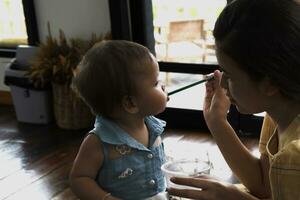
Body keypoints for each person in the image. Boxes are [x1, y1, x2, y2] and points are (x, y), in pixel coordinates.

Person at [168, 0, 300, 199]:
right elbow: (265, 184)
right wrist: (216, 122)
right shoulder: (278, 113)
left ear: (270, 83)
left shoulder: (295, 154)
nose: (222, 85)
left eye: (229, 75)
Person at [69, 40, 169, 200]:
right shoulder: (99, 141)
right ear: (130, 103)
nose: (163, 86)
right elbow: (79, 179)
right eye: (156, 83)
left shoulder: (152, 127)